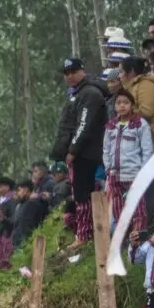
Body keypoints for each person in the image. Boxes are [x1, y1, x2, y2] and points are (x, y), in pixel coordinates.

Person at [50, 57, 109, 250]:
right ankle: (85, 232)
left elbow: (84, 125)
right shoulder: (76, 94)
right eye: (66, 74)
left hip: (87, 152)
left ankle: (84, 234)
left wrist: (73, 150)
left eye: (73, 72)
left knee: (83, 194)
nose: (69, 77)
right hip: (80, 152)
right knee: (80, 193)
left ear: (82, 71)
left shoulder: (90, 93)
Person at [103, 89, 154, 233]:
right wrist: (108, 168)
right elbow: (106, 150)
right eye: (119, 103)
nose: (122, 106)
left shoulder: (140, 124)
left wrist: (144, 172)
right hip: (114, 175)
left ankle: (138, 235)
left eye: (126, 102)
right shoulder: (110, 126)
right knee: (118, 208)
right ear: (114, 106)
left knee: (137, 206)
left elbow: (147, 150)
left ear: (132, 105)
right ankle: (123, 237)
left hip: (134, 174)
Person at [120, 56, 154, 153]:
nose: (119, 76)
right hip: (140, 140)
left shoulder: (146, 85)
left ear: (131, 71)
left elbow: (146, 112)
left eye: (121, 71)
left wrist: (124, 112)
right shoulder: (130, 88)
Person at [12, 181, 48, 249]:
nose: (17, 193)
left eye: (19, 190)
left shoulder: (30, 204)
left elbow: (26, 228)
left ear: (26, 190)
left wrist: (25, 245)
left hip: (26, 246)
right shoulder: (24, 204)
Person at [0, 176, 16, 269]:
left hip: (8, 233)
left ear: (7, 187)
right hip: (0, 234)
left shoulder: (13, 199)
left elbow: (13, 218)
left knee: (9, 258)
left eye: (1, 186)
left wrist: (4, 219)